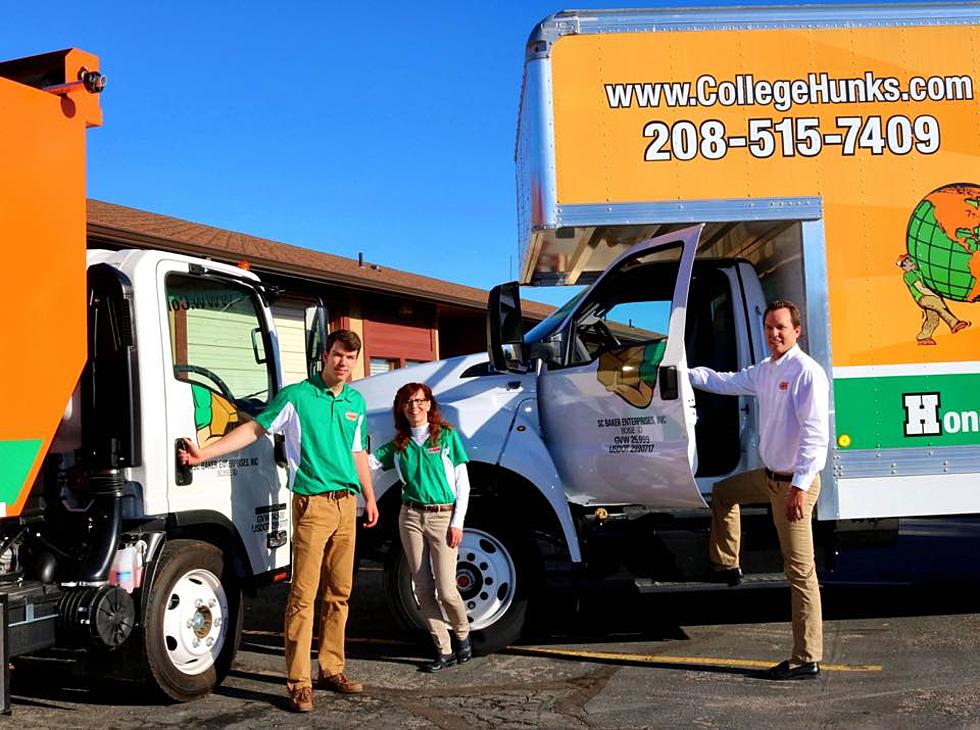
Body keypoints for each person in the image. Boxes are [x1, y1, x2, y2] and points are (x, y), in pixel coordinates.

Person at [179, 329, 379, 712]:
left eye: (351, 358)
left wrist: (369, 498)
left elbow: (357, 452)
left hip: (346, 505)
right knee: (304, 596)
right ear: (326, 355)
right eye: (338, 355)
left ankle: (331, 669)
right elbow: (253, 430)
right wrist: (205, 454)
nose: (343, 363)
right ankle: (299, 680)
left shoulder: (355, 401)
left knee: (340, 594)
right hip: (313, 506)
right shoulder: (296, 397)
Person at [689, 300, 829, 681]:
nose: (774, 333)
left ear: (797, 330)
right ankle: (728, 564)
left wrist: (800, 487)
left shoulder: (806, 372)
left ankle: (806, 658)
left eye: (781, 327)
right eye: (769, 327)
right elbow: (725, 380)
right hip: (769, 478)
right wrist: (682, 374)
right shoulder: (766, 370)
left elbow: (816, 437)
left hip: (793, 485)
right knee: (723, 492)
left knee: (800, 573)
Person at [370, 382, 472, 672]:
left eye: (419, 401)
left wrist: (458, 523)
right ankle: (444, 649)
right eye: (407, 403)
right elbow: (367, 464)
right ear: (401, 409)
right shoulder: (398, 445)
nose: (414, 407)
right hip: (411, 517)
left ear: (429, 404)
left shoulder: (447, 437)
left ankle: (463, 635)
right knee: (423, 587)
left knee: (447, 590)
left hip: (443, 517)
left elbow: (463, 484)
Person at [897, 253, 970, 344]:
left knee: (933, 319)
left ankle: (923, 337)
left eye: (911, 260)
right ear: (904, 267)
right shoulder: (909, 275)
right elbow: (921, 288)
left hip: (927, 296)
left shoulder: (917, 272)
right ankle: (954, 323)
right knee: (939, 306)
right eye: (907, 263)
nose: (911, 263)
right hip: (923, 297)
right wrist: (935, 295)